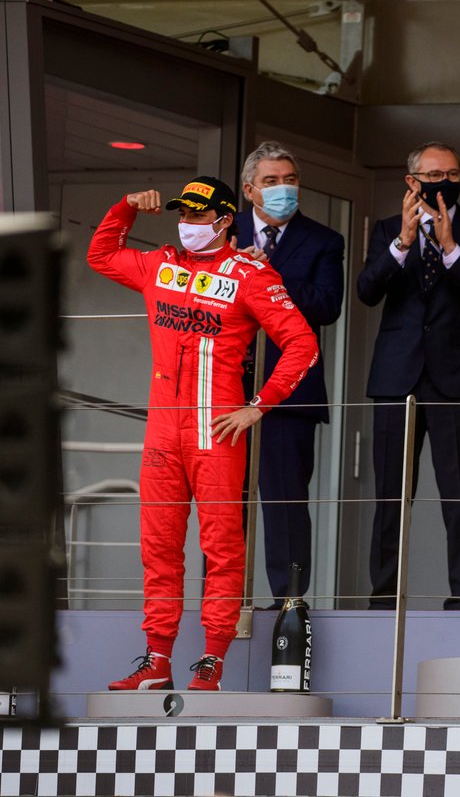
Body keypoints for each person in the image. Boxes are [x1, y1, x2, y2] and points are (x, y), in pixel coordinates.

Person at [90, 177, 319, 691]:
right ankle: (157, 660)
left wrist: (259, 406)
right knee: (158, 548)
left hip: (216, 433)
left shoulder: (251, 275)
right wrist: (124, 205)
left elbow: (302, 344)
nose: (187, 224)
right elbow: (101, 255)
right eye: (183, 215)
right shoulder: (160, 265)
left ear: (223, 222)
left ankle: (211, 663)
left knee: (222, 547)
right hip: (163, 434)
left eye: (198, 216)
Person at [357, 141, 460, 610]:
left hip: (455, 378)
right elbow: (365, 291)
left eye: (453, 174)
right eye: (434, 175)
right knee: (390, 498)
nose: (445, 182)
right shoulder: (386, 229)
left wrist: (450, 247)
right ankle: (383, 598)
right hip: (396, 377)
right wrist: (403, 241)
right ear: (412, 181)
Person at [234, 141, 344, 606]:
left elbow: (326, 305)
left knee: (285, 506)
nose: (283, 188)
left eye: (290, 179)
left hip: (290, 393)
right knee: (225, 506)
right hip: (226, 389)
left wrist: (270, 276)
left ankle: (289, 606)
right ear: (248, 190)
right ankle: (226, 600)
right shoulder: (221, 233)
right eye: (271, 181)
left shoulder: (323, 240)